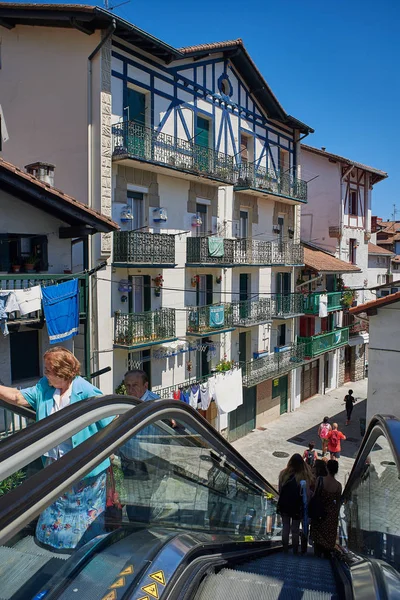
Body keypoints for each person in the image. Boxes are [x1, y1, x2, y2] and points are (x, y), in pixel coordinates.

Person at [0, 347, 111, 550]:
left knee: (85, 520)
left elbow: (110, 422)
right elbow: (17, 397)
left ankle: (86, 551)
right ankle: (54, 548)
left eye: (48, 370)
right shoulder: (44, 388)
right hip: (56, 466)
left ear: (62, 371)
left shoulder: (84, 390)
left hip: (85, 471)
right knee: (55, 511)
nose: (45, 374)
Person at [119, 369, 161, 524]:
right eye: (128, 386)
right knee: (133, 501)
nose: (131, 389)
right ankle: (136, 530)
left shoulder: (155, 404)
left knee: (145, 502)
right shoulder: (123, 404)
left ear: (145, 385)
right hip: (128, 460)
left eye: (135, 385)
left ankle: (143, 532)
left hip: (148, 462)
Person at [278, 453, 314, 554]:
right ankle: (295, 551)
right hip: (297, 506)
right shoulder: (303, 477)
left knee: (285, 526)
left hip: (284, 504)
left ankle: (285, 549)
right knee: (295, 529)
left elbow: (280, 491)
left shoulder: (283, 474)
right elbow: (306, 495)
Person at [310, 459, 342, 558]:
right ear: (336, 470)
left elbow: (315, 495)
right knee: (328, 542)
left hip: (319, 512)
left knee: (317, 539)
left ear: (327, 468)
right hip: (330, 516)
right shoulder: (338, 486)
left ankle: (316, 559)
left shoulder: (320, 480)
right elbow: (338, 502)